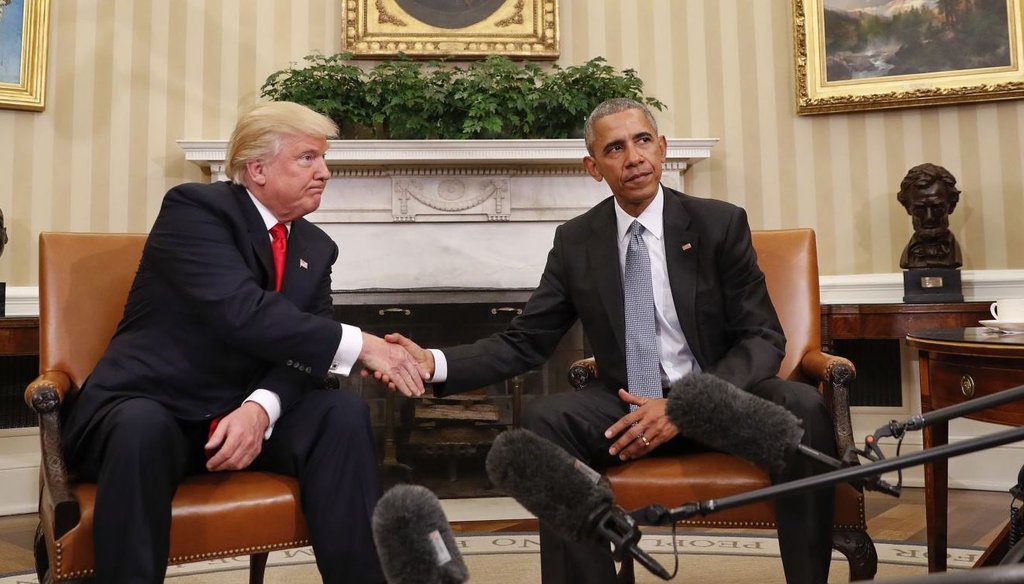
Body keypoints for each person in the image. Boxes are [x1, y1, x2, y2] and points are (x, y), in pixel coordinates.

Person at [386, 98, 837, 584]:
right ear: (594, 167)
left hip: (720, 399)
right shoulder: (577, 241)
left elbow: (762, 337)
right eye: (615, 148)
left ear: (662, 149)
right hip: (627, 407)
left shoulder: (718, 224)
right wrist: (434, 363)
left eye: (643, 141)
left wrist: (685, 406)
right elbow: (526, 340)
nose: (634, 157)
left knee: (802, 407)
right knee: (543, 419)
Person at [59, 101, 428, 583]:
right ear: (256, 169)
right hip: (159, 405)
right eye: (308, 158)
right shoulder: (196, 210)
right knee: (140, 426)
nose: (326, 172)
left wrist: (261, 408)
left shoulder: (316, 247)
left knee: (341, 415)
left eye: (324, 158)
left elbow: (305, 357)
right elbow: (242, 312)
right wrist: (364, 344)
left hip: (242, 417)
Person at [897, 162, 962, 269]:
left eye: (937, 208)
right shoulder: (908, 256)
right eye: (920, 209)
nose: (929, 217)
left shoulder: (953, 251)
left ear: (951, 206)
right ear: (908, 208)